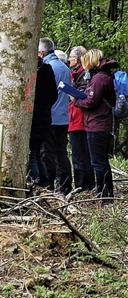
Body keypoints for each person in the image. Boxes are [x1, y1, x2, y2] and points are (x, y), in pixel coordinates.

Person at [72, 49, 117, 197]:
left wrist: (77, 100)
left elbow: (91, 101)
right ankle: (106, 192)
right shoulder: (103, 76)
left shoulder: (99, 78)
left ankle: (103, 192)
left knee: (98, 162)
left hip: (97, 123)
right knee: (101, 161)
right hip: (98, 122)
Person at [38, 37, 73, 194]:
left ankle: (49, 185)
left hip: (50, 117)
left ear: (41, 52)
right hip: (63, 117)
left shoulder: (46, 67)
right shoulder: (65, 68)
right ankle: (65, 185)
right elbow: (69, 92)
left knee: (48, 153)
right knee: (62, 152)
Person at [27, 57, 57, 187]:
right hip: (45, 117)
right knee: (37, 153)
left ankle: (36, 183)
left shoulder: (32, 72)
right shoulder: (47, 69)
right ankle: (45, 182)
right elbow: (54, 95)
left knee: (32, 154)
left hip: (34, 118)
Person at [68, 46, 95, 191]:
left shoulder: (84, 75)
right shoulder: (78, 74)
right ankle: (87, 183)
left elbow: (83, 96)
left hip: (78, 119)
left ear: (78, 59)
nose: (69, 59)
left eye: (71, 57)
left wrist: (72, 93)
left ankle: (82, 185)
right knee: (83, 154)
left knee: (80, 155)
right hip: (77, 118)